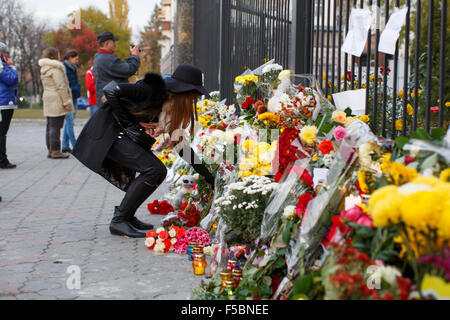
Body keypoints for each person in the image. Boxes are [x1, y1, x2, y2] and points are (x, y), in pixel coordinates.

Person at [72, 64, 214, 238]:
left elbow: (181, 146)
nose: (195, 99)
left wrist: (208, 176)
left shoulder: (170, 105)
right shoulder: (152, 90)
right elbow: (111, 90)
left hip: (118, 134)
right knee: (154, 170)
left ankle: (127, 215)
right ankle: (120, 220)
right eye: (195, 94)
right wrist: (130, 125)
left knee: (156, 171)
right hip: (108, 133)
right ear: (185, 90)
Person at [39, 48, 74, 159]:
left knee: (50, 125)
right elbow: (61, 86)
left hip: (48, 97)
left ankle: (50, 149)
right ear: (53, 56)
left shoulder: (44, 68)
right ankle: (55, 151)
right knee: (56, 126)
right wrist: (66, 101)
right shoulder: (56, 69)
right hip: (57, 98)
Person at [93, 31, 141, 108]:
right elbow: (130, 69)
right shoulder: (107, 59)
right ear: (106, 44)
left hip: (106, 100)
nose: (115, 45)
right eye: (113, 42)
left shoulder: (99, 58)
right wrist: (134, 55)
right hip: (112, 101)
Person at [0, 42, 18, 169]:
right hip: (3, 102)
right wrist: (12, 67)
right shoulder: (2, 64)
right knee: (2, 132)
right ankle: (2, 160)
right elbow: (11, 79)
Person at [62, 50, 81, 153]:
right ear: (70, 58)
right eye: (76, 59)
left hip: (74, 96)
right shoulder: (64, 67)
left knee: (69, 121)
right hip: (69, 97)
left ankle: (65, 145)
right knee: (70, 121)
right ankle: (75, 145)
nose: (77, 61)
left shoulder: (73, 68)